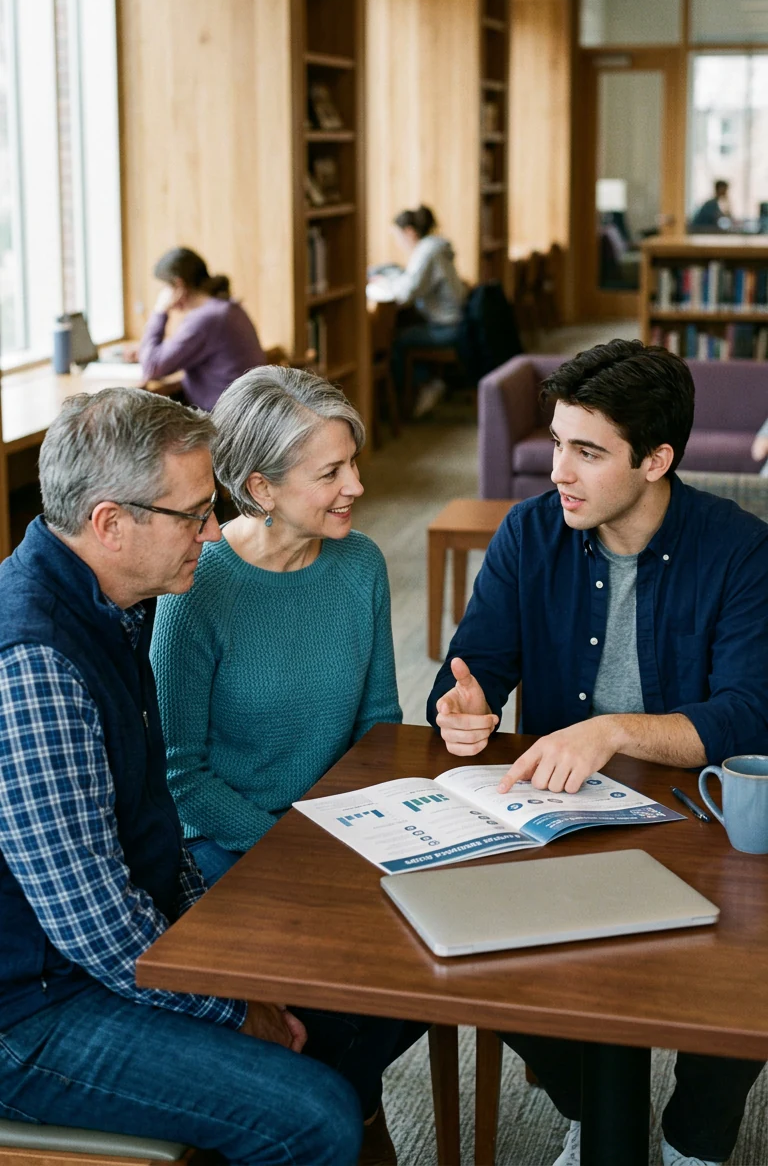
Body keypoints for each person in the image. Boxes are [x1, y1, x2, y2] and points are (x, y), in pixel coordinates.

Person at [0, 387, 362, 1165]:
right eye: (194, 515)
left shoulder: (115, 606)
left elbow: (154, 831)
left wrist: (223, 959)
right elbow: (92, 920)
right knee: (318, 1117)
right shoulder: (35, 661)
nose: (213, 531)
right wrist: (231, 1009)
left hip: (87, 964)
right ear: (110, 523)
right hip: (28, 1012)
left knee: (347, 1000)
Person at [427, 339, 768, 1166]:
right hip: (561, 815)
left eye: (587, 452)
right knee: (467, 941)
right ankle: (593, 1108)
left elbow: (750, 716)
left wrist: (615, 729)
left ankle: (693, 1140)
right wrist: (460, 710)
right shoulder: (527, 533)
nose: (558, 473)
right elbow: (471, 671)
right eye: (555, 444)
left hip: (702, 821)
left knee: (752, 966)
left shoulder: (741, 550)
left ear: (656, 460)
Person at [151, 365, 421, 1159]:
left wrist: (380, 829)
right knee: (335, 993)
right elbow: (181, 777)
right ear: (260, 488)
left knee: (436, 959)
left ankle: (339, 1113)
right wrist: (296, 847)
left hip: (337, 835)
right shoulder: (195, 588)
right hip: (223, 844)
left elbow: (378, 726)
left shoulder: (361, 564)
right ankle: (353, 1123)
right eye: (331, 472)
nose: (357, 486)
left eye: (352, 464)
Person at [136, 246, 265, 410]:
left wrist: (159, 311)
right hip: (245, 413)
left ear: (179, 285)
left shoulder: (205, 318)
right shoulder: (226, 307)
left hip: (222, 419)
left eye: (165, 288)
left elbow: (151, 367)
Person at [367, 205, 467, 417]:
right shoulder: (435, 247)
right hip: (455, 322)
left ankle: (418, 391)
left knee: (397, 340)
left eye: (398, 237)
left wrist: (384, 282)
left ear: (410, 232)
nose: (399, 243)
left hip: (448, 328)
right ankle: (425, 384)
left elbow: (406, 293)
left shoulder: (427, 251)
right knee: (404, 328)